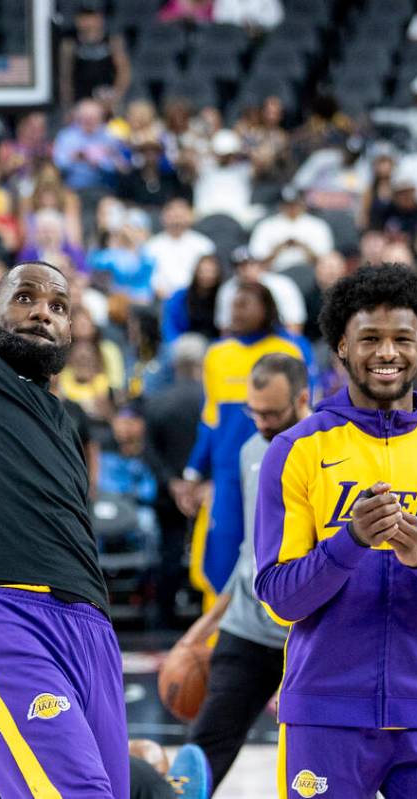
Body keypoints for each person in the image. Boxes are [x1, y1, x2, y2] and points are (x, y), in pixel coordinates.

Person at [0, 12, 208, 798]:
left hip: (90, 628)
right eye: (25, 296)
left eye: (60, 305)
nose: (43, 310)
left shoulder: (65, 416)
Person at [254, 264, 417, 798]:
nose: (386, 353)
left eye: (402, 339)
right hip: (324, 712)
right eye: (369, 338)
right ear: (341, 346)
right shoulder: (297, 450)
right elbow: (280, 598)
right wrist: (349, 544)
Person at [169, 353, 309, 793]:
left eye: (272, 413)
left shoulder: (327, 450)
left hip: (306, 633)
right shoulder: (251, 450)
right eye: (254, 410)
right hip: (247, 628)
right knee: (202, 749)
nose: (261, 421)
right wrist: (204, 626)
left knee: (317, 759)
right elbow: (252, 550)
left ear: (302, 399)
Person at [181, 282, 308, 599]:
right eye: (233, 305)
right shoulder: (217, 355)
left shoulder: (290, 350)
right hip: (227, 473)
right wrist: (194, 472)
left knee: (273, 546)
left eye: (244, 304)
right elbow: (210, 421)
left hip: (277, 468)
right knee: (221, 548)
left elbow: (306, 411)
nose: (235, 311)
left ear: (266, 307)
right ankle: (220, 635)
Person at [144, 334, 208, 628]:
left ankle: (163, 619)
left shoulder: (158, 400)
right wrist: (201, 483)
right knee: (208, 553)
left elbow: (149, 450)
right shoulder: (210, 403)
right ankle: (203, 617)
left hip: (169, 493)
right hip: (207, 492)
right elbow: (217, 447)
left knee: (168, 553)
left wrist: (172, 482)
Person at [247, 186, 334, 273]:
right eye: (288, 205)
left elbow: (326, 259)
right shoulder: (266, 226)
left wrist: (303, 247)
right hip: (276, 273)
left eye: (295, 204)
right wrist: (278, 249)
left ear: (302, 204)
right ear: (281, 205)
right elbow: (256, 260)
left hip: (311, 273)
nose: (292, 208)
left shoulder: (317, 225)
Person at [144, 198, 216, 302]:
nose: (177, 221)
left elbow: (209, 275)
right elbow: (150, 276)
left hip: (196, 299)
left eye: (181, 216)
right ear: (163, 217)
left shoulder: (204, 245)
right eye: (173, 216)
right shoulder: (151, 246)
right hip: (161, 300)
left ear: (191, 216)